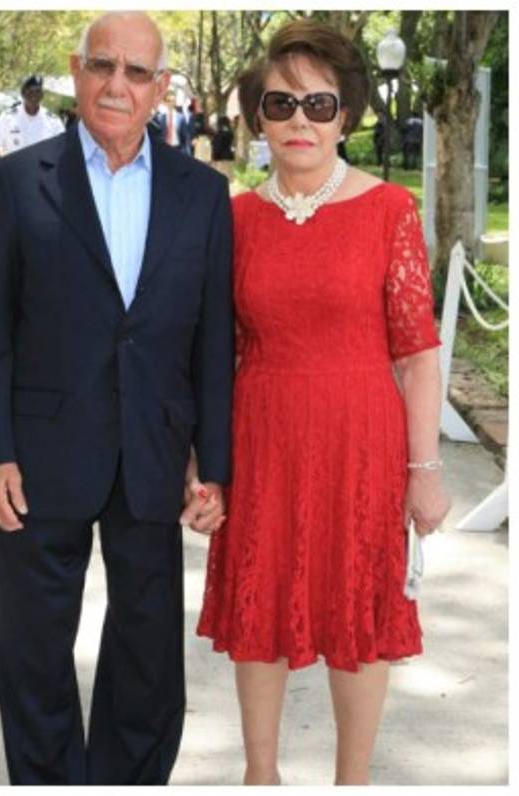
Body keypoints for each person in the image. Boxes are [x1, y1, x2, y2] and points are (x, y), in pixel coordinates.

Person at [0, 11, 233, 785]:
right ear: (76, 71)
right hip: (39, 454)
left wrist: (214, 464)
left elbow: (212, 340)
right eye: (103, 65)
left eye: (137, 72)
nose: (118, 85)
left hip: (154, 451)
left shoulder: (203, 193)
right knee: (31, 647)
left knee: (148, 655)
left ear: (160, 87)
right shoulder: (19, 181)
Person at [196, 19, 450, 786]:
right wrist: (202, 465)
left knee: (358, 612)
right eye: (281, 104)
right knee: (260, 605)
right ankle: (260, 775)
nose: (299, 121)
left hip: (361, 444)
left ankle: (353, 780)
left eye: (319, 104)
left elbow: (417, 353)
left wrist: (425, 472)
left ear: (346, 116)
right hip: (262, 441)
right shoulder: (234, 219)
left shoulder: (389, 210)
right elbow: (212, 354)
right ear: (257, 116)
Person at [0, 74, 65, 156]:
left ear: (42, 95)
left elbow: (62, 148)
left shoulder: (53, 121)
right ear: (23, 94)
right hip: (15, 164)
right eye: (30, 91)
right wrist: (1, 162)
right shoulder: (8, 117)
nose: (34, 95)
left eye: (38, 91)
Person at [211, 114, 236, 179]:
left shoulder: (219, 134)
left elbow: (217, 147)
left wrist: (214, 157)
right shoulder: (230, 133)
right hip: (229, 156)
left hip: (221, 158)